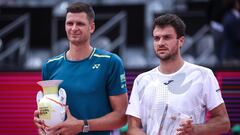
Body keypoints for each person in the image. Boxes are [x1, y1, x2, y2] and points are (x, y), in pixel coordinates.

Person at [126, 14, 230, 135]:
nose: (160, 43)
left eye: (167, 37)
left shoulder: (203, 75)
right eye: (156, 38)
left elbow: (223, 122)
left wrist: (195, 130)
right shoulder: (142, 80)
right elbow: (133, 127)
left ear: (181, 41)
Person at [33, 2, 128, 135]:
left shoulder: (110, 62)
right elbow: (49, 116)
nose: (74, 28)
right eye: (70, 23)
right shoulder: (50, 66)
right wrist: (43, 124)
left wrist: (83, 125)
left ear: (92, 27)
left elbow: (122, 117)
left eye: (80, 23)